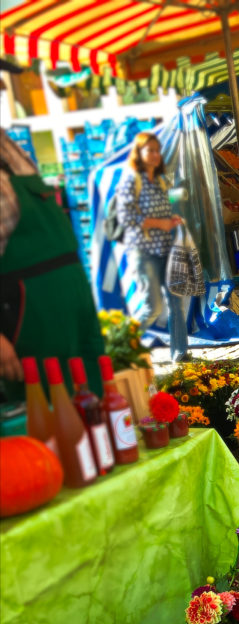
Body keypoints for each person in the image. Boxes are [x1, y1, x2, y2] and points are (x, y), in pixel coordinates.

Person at [0, 59, 104, 399]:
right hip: (28, 329)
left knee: (93, 413)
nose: (2, 90)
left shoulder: (6, 145)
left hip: (72, 320)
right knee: (45, 425)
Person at [115, 131, 190, 363]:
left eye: (158, 150)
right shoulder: (130, 179)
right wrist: (161, 223)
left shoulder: (160, 180)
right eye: (150, 150)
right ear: (139, 153)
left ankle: (180, 354)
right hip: (143, 251)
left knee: (176, 303)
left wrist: (173, 220)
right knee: (152, 307)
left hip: (166, 249)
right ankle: (119, 348)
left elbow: (164, 209)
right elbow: (126, 216)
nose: (156, 154)